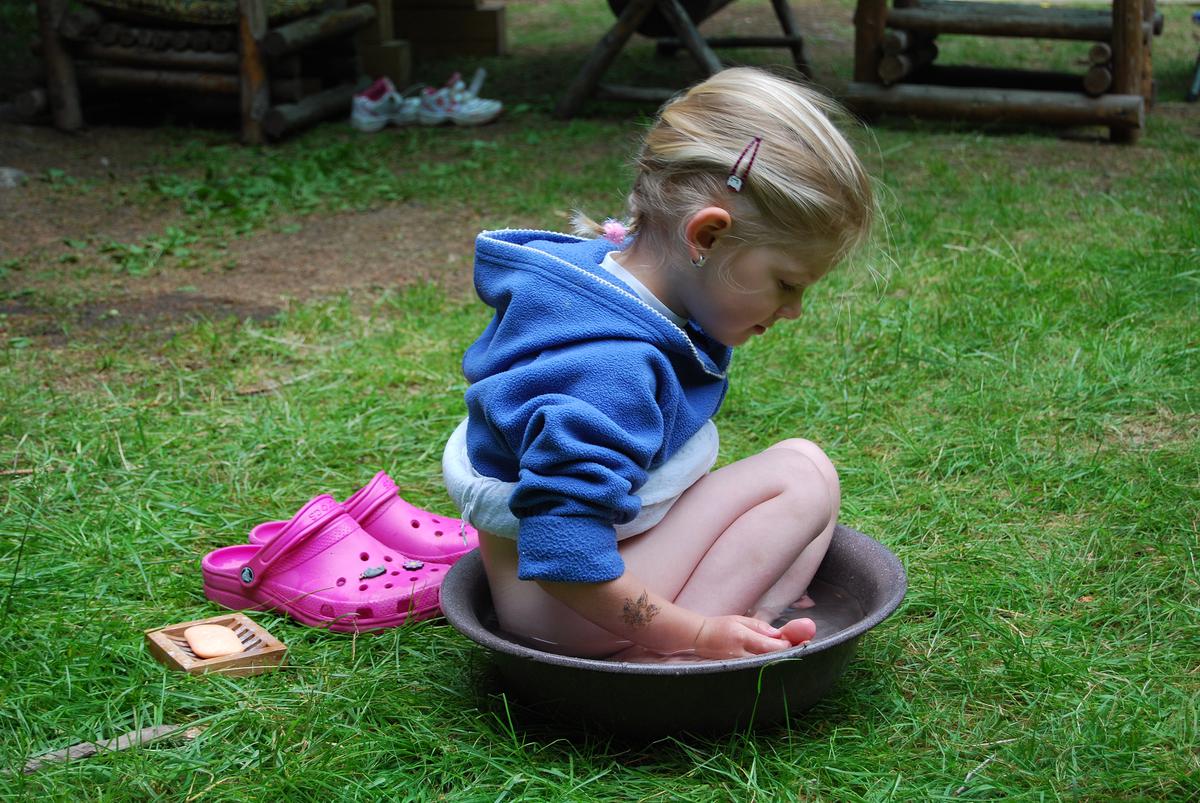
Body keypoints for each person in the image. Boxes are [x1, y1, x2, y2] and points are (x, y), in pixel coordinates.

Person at [443, 67, 875, 661]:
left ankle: (752, 619)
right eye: (785, 283)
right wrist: (690, 632)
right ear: (707, 236)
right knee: (800, 479)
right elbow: (566, 558)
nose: (794, 310)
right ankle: (667, 656)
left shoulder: (599, 283)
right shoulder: (608, 368)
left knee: (806, 463)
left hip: (562, 582)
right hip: (570, 610)